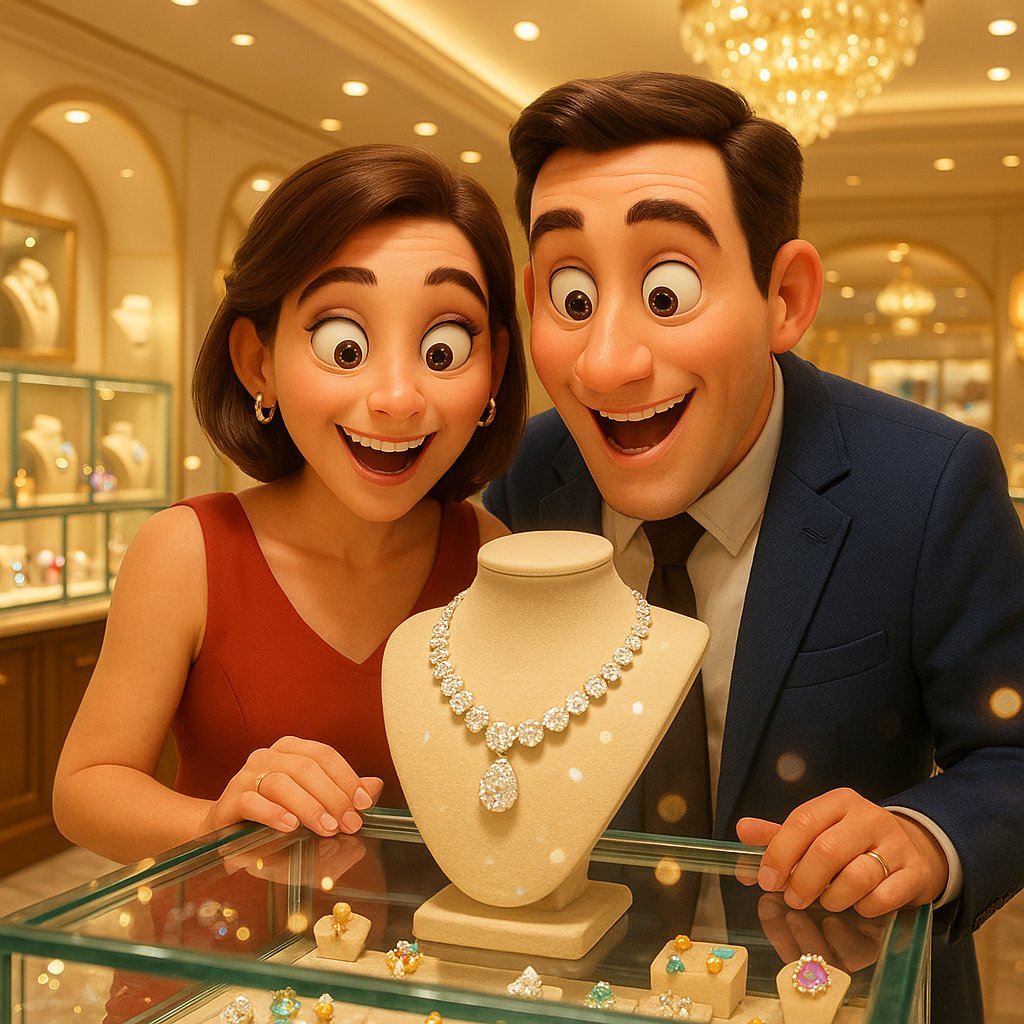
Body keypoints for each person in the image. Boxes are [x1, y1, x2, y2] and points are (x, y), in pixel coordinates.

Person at [483, 71, 1024, 1020]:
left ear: (786, 296)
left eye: (667, 291)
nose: (607, 361)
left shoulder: (927, 484)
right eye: (571, 295)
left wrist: (925, 836)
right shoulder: (526, 485)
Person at [54, 143, 527, 865]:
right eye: (345, 345)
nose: (397, 399)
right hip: (216, 970)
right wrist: (218, 823)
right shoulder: (187, 551)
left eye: (442, 349)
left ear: (492, 364)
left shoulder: (492, 560)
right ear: (257, 363)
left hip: (406, 970)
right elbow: (85, 789)